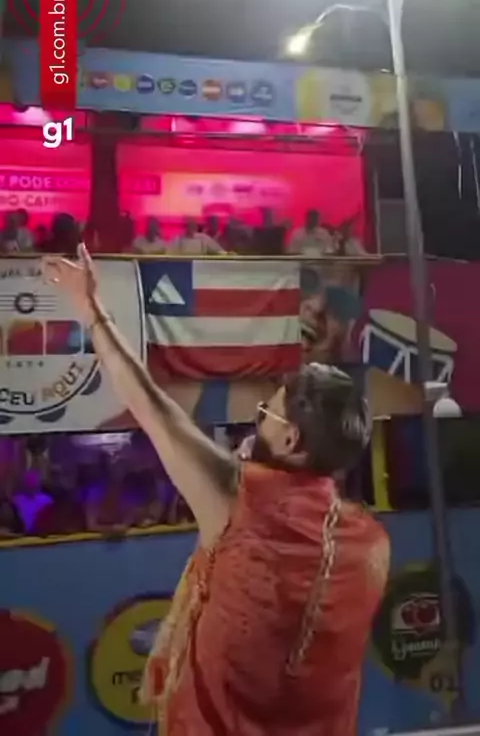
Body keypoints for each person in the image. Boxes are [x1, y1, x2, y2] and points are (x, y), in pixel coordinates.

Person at [43, 245, 390, 736]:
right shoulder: (370, 544)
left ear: (291, 441)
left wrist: (92, 311)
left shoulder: (244, 505)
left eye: (267, 414)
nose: (257, 420)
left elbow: (153, 408)